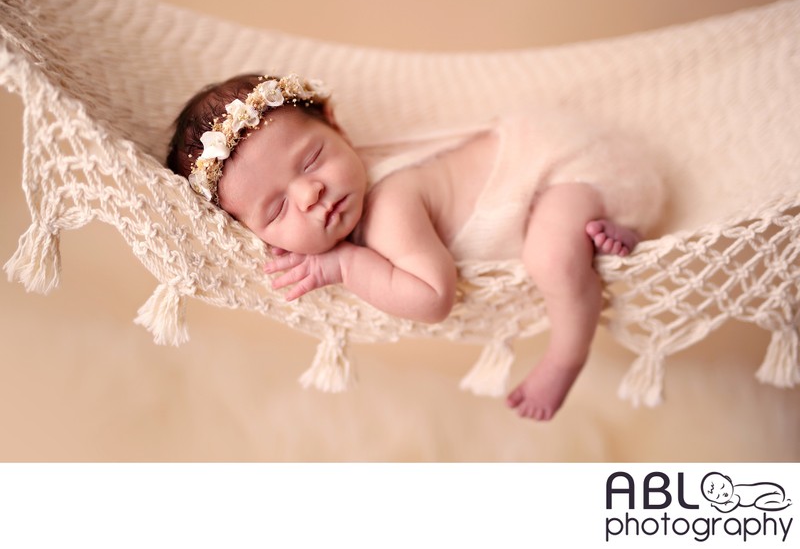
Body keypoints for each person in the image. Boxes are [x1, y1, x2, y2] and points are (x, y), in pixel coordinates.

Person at [168, 72, 663, 420]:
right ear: (255, 236)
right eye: (276, 211)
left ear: (338, 127)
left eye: (312, 159)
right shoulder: (358, 186)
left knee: (548, 257)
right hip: (563, 177)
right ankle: (610, 231)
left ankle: (566, 354)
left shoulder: (389, 208)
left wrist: (344, 265)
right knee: (555, 233)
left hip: (571, 165)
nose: (309, 193)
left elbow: (433, 297)